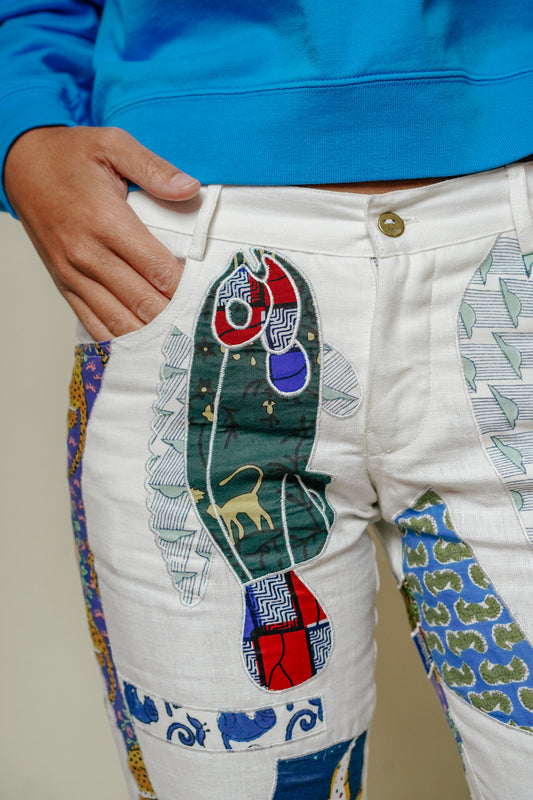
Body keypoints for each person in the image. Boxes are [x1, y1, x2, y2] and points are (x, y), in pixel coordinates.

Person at [2, 2, 533, 798]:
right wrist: (24, 131)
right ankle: (271, 558)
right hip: (183, 247)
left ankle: (268, 549)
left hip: (502, 238)